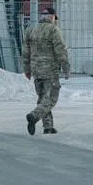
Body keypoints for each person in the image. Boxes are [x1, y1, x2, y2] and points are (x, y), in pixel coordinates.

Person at [23, 7, 70, 135]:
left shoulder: (31, 30)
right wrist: (66, 68)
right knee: (51, 98)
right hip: (49, 70)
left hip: (36, 70)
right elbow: (60, 50)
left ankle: (48, 127)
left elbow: (26, 52)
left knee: (43, 97)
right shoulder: (53, 30)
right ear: (52, 17)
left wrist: (26, 69)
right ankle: (34, 115)